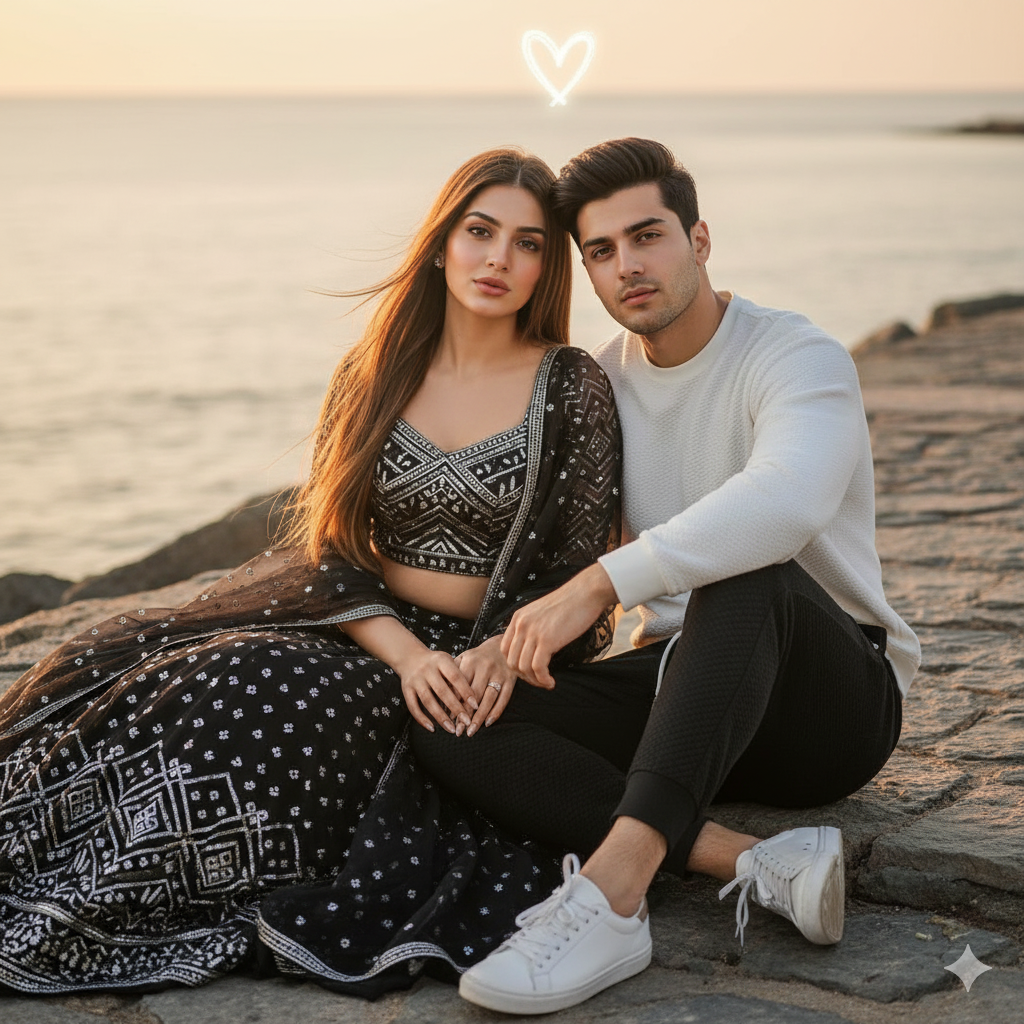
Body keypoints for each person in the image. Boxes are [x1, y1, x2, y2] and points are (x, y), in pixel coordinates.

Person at [0, 148, 622, 996]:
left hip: (484, 663)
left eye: (528, 243)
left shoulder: (570, 386)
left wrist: (489, 661)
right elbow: (333, 552)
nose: (498, 260)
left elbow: (580, 581)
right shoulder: (370, 377)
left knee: (254, 699)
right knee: (154, 666)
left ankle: (138, 880)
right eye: (480, 233)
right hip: (361, 629)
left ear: (549, 266)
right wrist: (406, 655)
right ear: (442, 243)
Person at [411, 138, 921, 1014]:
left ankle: (612, 900)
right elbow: (554, 544)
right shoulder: (599, 383)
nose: (627, 267)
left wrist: (599, 587)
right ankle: (754, 860)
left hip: (827, 698)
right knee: (453, 717)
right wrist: (498, 648)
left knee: (745, 571)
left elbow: (787, 503)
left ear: (701, 238)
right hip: (688, 699)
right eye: (600, 252)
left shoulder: (798, 357)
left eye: (647, 236)